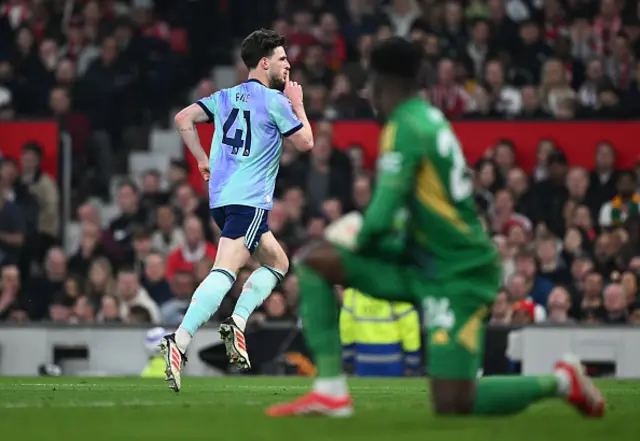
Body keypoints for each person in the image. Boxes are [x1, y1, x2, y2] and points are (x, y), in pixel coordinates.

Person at [266, 37, 604, 418]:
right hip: (420, 258)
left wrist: (354, 233)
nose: (367, 93)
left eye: (370, 84)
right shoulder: (424, 117)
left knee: (455, 402)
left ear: (382, 84)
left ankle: (561, 381)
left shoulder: (407, 126)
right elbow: (412, 207)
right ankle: (330, 392)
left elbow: (379, 218)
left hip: (460, 271)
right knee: (316, 261)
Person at [162, 28, 314, 392]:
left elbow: (183, 119)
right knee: (225, 270)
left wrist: (201, 159)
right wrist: (299, 104)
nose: (287, 65)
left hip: (222, 201)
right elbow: (306, 143)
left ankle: (238, 322)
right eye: (281, 59)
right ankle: (179, 342)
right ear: (264, 63)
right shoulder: (276, 101)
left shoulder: (224, 97)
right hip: (249, 202)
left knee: (278, 261)